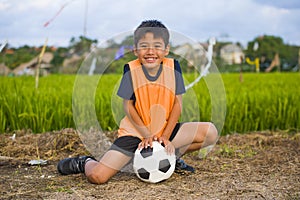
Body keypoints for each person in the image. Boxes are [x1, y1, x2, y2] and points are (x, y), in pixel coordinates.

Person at [57, 20, 218, 184]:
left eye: (157, 46)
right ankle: (85, 162)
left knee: (210, 132)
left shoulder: (173, 66)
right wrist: (147, 136)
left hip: (164, 130)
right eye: (144, 46)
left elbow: (178, 104)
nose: (150, 51)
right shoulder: (131, 70)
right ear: (135, 50)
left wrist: (165, 139)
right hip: (135, 134)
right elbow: (128, 106)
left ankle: (170, 158)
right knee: (98, 176)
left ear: (166, 49)